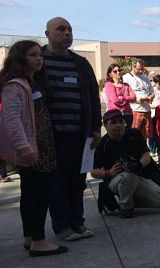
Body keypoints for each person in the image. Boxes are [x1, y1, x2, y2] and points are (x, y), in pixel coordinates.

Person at [0, 40, 69, 257]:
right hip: (33, 148)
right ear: (20, 58)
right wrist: (25, 147)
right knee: (39, 193)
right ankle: (39, 241)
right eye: (32, 55)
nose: (39, 58)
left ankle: (30, 237)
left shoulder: (31, 81)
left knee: (29, 193)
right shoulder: (15, 84)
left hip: (40, 146)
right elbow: (11, 119)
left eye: (40, 54)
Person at [43, 17, 100, 241]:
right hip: (51, 137)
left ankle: (78, 223)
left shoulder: (80, 63)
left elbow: (93, 98)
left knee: (77, 182)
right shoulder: (38, 60)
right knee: (56, 184)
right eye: (60, 29)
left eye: (69, 29)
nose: (67, 33)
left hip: (79, 135)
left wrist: (95, 128)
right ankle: (62, 226)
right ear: (47, 34)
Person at [91, 110, 160, 219]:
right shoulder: (103, 144)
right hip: (116, 181)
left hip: (138, 175)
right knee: (128, 176)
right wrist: (108, 172)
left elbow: (146, 155)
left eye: (121, 122)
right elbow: (93, 172)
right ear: (106, 125)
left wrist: (138, 165)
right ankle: (126, 207)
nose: (118, 125)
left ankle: (129, 199)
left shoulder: (134, 134)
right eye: (113, 122)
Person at [123, 59, 154, 140]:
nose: (140, 71)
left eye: (142, 69)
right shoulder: (126, 78)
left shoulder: (145, 78)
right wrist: (138, 100)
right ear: (133, 67)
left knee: (146, 135)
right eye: (138, 69)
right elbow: (125, 95)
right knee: (134, 135)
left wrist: (151, 97)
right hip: (135, 110)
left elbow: (152, 91)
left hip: (147, 110)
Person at [104, 63, 136, 127]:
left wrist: (122, 97)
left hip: (128, 114)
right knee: (117, 134)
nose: (118, 72)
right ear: (110, 74)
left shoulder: (126, 85)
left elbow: (134, 97)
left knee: (128, 134)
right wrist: (127, 99)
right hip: (115, 114)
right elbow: (114, 100)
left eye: (119, 70)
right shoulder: (109, 84)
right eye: (115, 71)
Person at [148, 74, 160, 156]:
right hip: (152, 113)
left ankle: (159, 148)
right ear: (155, 83)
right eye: (159, 84)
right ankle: (151, 149)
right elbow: (149, 104)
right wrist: (154, 106)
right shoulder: (152, 91)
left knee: (158, 132)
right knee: (152, 132)